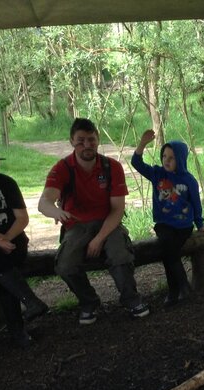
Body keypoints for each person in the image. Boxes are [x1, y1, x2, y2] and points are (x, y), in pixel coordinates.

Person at [37, 118, 149, 325]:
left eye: (91, 140)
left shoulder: (111, 167)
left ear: (97, 140)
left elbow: (117, 210)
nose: (87, 145)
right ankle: (89, 302)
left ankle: (131, 299)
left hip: (108, 223)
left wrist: (99, 239)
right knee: (65, 265)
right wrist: (56, 212)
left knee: (120, 255)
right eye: (81, 140)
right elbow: (44, 202)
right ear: (71, 141)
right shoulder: (62, 168)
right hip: (77, 225)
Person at [132, 129, 204, 306]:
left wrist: (200, 224)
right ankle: (183, 287)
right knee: (168, 247)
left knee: (168, 253)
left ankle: (174, 290)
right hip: (164, 224)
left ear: (180, 159)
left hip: (183, 225)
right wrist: (142, 144)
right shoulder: (157, 174)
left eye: (171, 157)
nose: (166, 160)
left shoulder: (189, 180)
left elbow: (196, 205)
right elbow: (136, 162)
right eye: (164, 156)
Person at [0, 160, 48, 347]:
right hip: (1, 247)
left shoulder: (7, 183)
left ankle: (18, 331)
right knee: (2, 271)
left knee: (1, 268)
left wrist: (6, 239)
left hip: (14, 243)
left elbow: (22, 218)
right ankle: (30, 305)